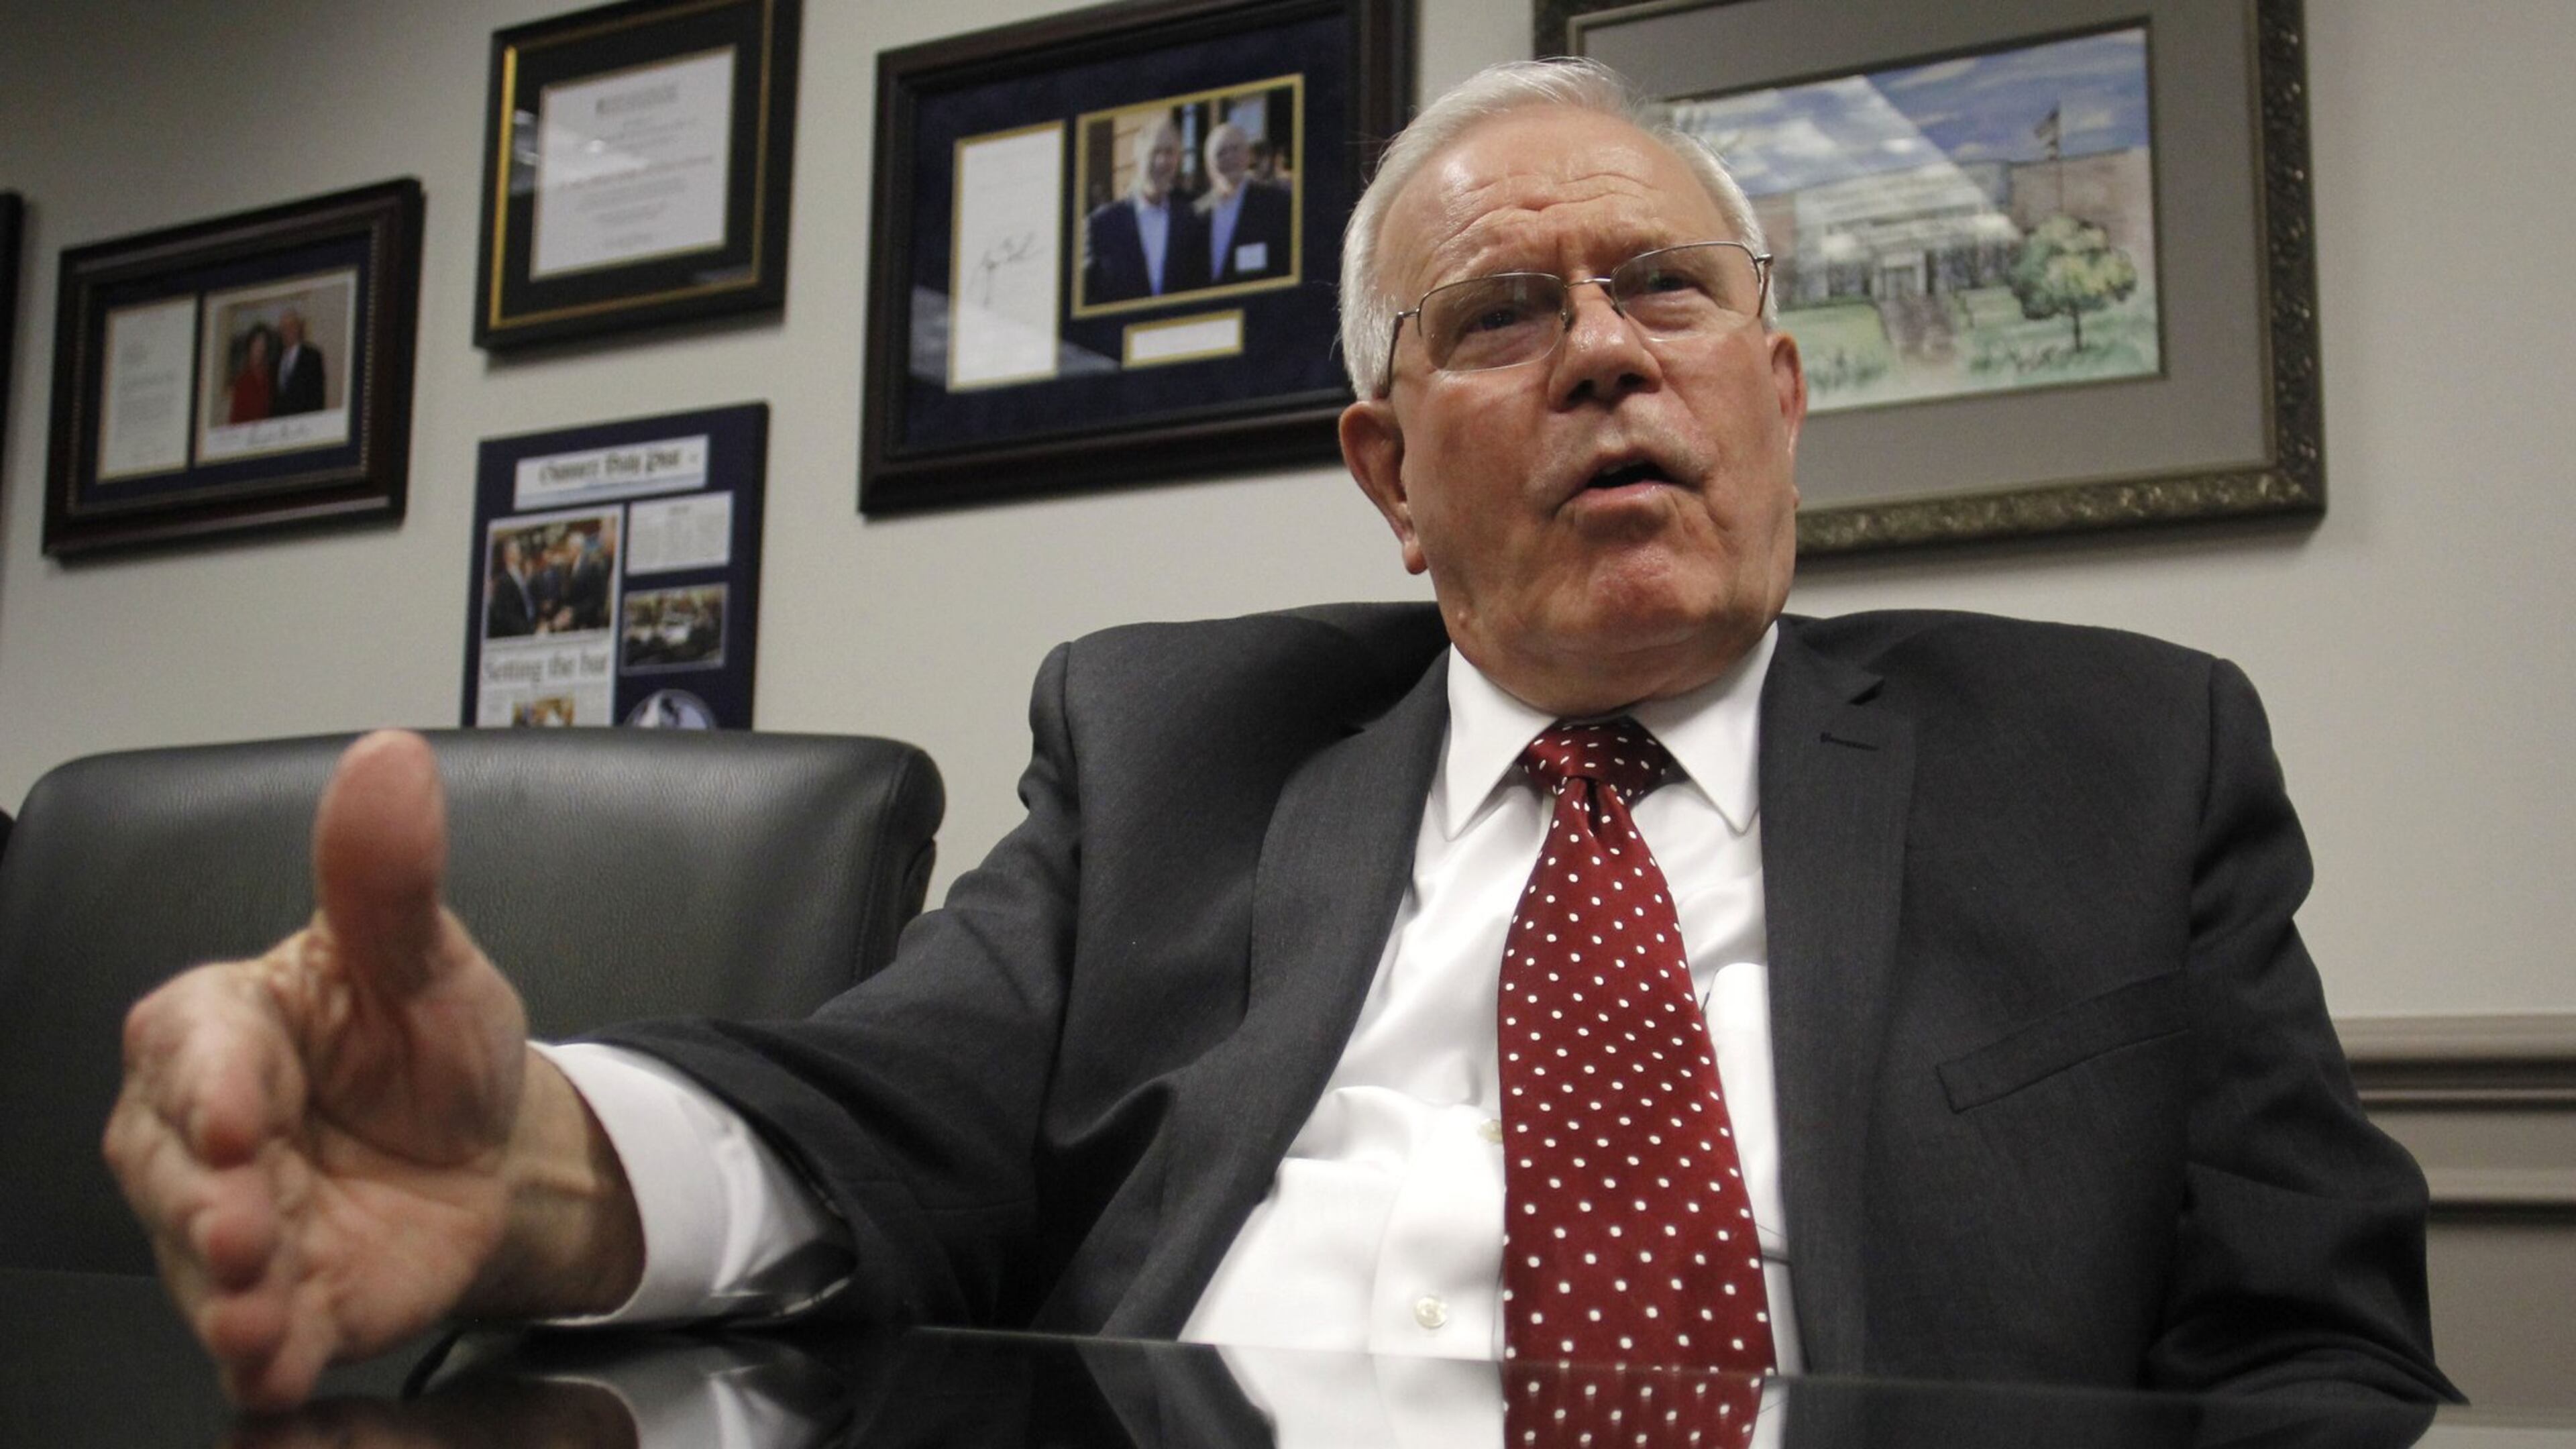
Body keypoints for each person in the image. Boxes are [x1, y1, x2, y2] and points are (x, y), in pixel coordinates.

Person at [105, 59, 2455, 1411]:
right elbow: (871, 1117)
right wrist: (518, 1161)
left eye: (1667, 291)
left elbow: (2315, 1353)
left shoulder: (2120, 759)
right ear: (1387, 474)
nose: (1608, 352)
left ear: (1782, 389)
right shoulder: (1182, 747)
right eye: (1507, 314)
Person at [1081, 115, 1208, 304]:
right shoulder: (1101, 225)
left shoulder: (1191, 221)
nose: (1162, 161)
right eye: (1154, 152)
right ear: (1137, 158)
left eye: (1170, 152)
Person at [1195, 121, 1293, 286]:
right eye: (1221, 153)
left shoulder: (1275, 204)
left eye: (1235, 149)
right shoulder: (1196, 214)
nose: (1229, 158)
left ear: (1248, 156)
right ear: (1209, 163)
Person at [271, 309, 326, 417]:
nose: (287, 331)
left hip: (305, 424)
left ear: (298, 328)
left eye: (291, 326)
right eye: (283, 328)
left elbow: (317, 397)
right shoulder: (275, 363)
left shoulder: (312, 356)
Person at [225, 325, 274, 425]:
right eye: (257, 342)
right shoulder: (242, 379)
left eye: (263, 343)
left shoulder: (270, 377)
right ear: (250, 345)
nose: (260, 348)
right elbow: (236, 417)